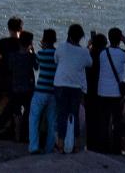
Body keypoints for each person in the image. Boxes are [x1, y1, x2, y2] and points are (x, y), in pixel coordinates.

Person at [52, 23, 93, 154]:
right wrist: (88, 49)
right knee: (73, 115)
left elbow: (56, 60)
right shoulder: (84, 51)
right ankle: (74, 144)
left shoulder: (61, 47)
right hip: (76, 87)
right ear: (81, 37)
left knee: (61, 114)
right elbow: (89, 63)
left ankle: (60, 144)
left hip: (60, 84)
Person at [29, 28, 59, 154]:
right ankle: (49, 148)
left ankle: (34, 146)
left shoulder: (41, 53)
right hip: (53, 91)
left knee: (34, 118)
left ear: (44, 40)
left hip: (40, 90)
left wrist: (33, 51)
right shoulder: (58, 54)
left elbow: (36, 67)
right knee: (52, 121)